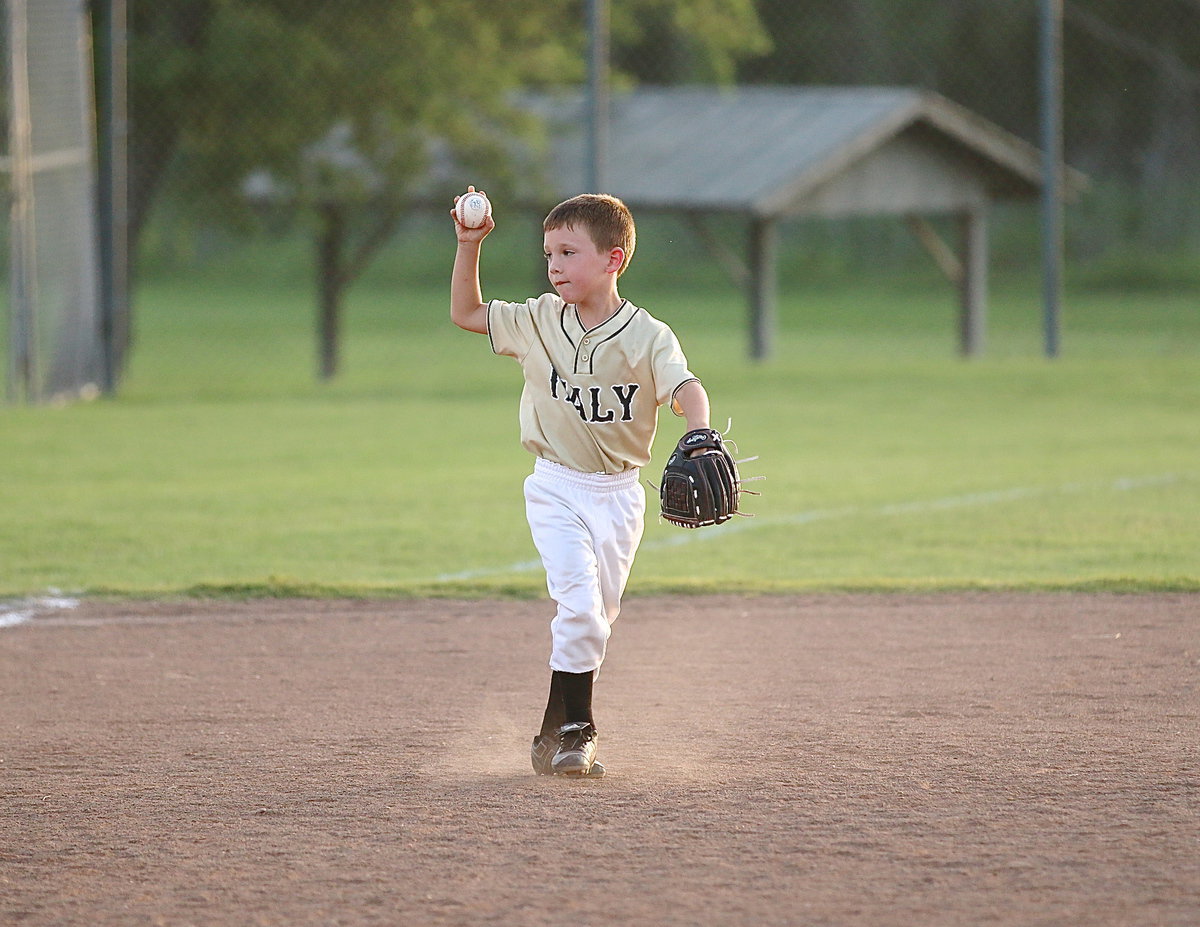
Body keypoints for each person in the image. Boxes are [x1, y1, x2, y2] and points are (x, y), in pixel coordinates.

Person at [449, 187, 713, 778]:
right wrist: (470, 245)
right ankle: (579, 730)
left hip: (619, 497)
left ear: (613, 259)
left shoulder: (647, 335)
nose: (555, 266)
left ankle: (550, 733)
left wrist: (698, 429)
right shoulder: (539, 321)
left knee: (598, 618)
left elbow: (684, 386)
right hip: (555, 487)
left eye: (569, 253)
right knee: (581, 610)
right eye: (549, 255)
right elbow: (467, 314)